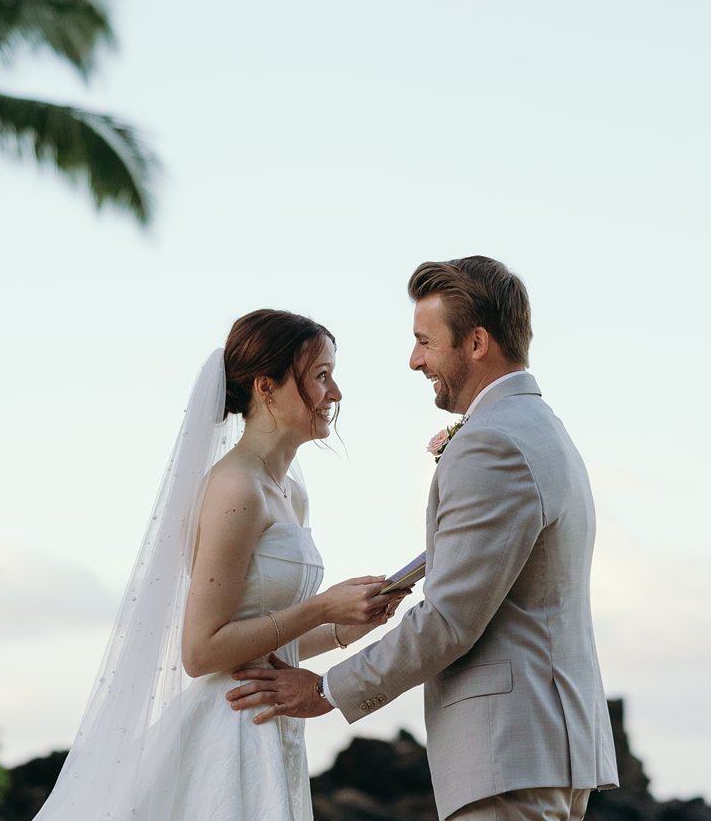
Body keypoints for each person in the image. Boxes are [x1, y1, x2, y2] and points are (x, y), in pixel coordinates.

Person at [227, 258, 620, 821]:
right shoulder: (540, 427)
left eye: (424, 342)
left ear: (477, 341)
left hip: (509, 754)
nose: (414, 360)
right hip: (542, 748)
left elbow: (451, 618)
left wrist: (325, 691)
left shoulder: (492, 444)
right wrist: (404, 581)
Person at [34, 309, 403, 820]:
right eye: (320, 376)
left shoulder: (291, 493)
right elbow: (202, 650)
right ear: (266, 387)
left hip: (270, 724)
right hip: (228, 732)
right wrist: (321, 607)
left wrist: (346, 625)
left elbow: (269, 645)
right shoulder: (235, 487)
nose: (335, 393)